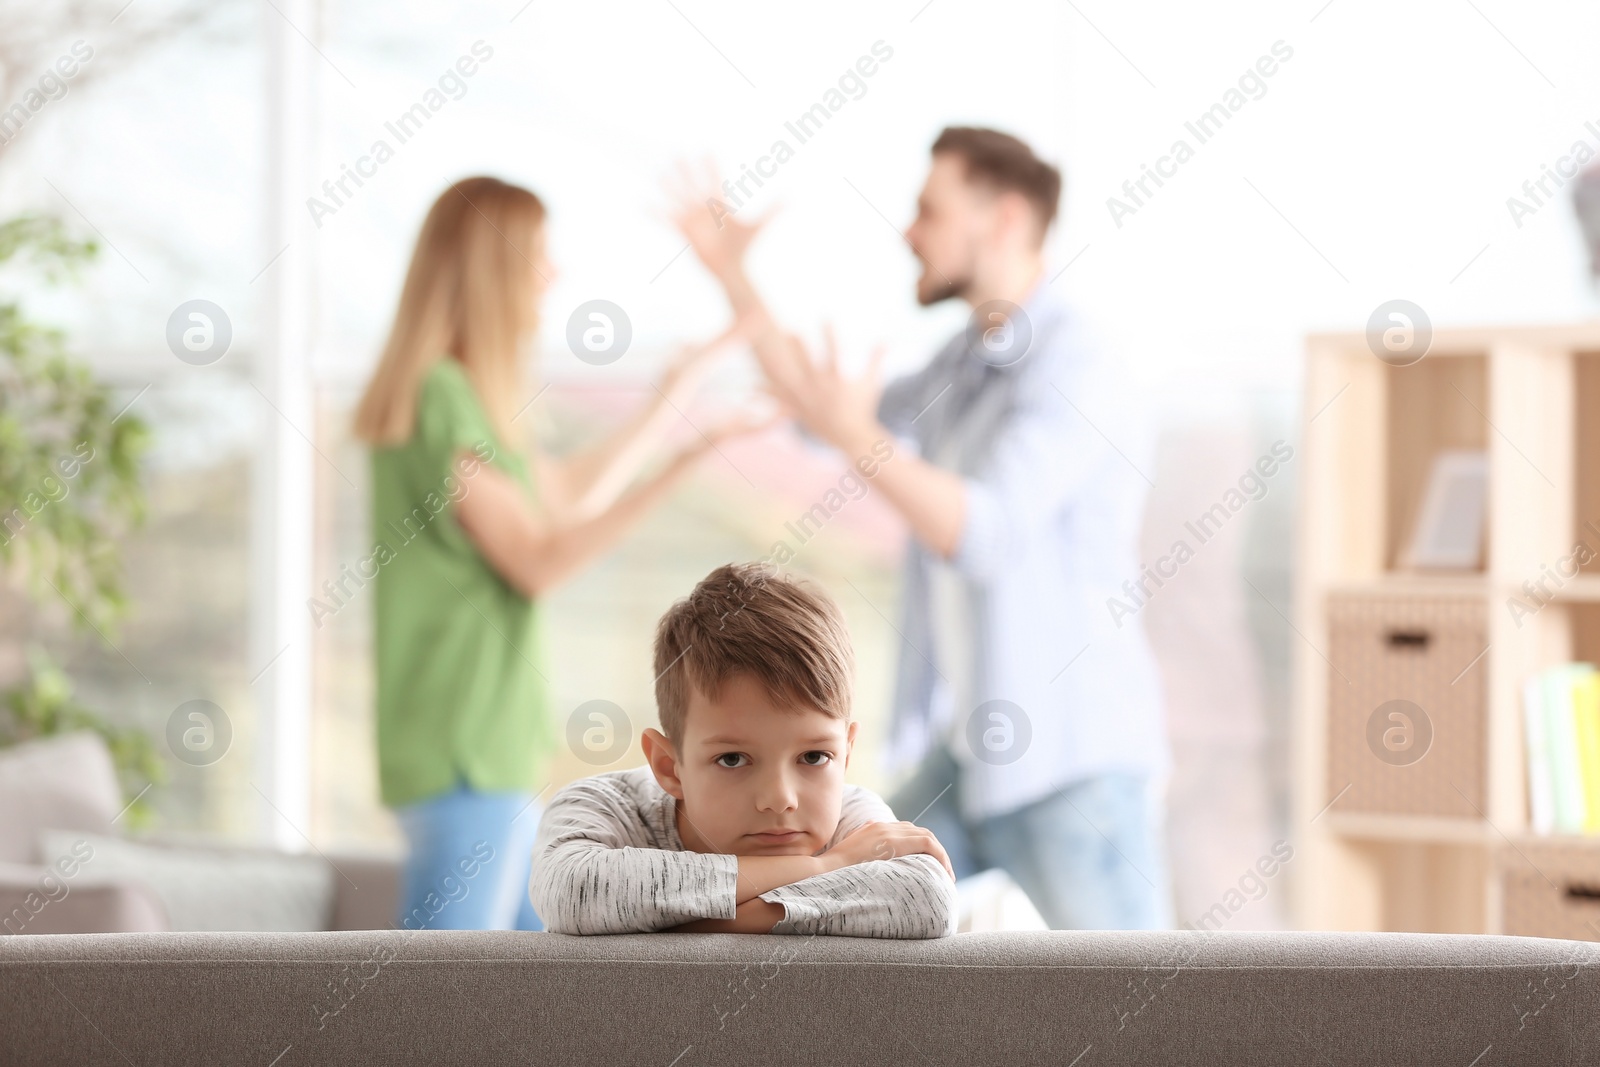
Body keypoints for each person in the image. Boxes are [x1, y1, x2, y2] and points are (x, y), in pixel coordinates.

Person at [672, 128, 1173, 930]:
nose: (909, 232)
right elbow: (818, 411)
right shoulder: (966, 361)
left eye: (928, 210)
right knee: (816, 907)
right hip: (976, 754)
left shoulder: (1081, 360)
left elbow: (985, 531)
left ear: (1006, 219)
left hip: (1072, 763)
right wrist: (733, 275)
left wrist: (852, 435)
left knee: (1146, 1013)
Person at [353, 176, 769, 931]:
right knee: (440, 998)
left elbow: (564, 495)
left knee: (523, 979)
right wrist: (681, 464)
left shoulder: (466, 398)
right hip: (461, 744)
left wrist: (673, 401)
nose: (553, 274)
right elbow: (537, 557)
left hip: (482, 742)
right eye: (538, 255)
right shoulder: (440, 395)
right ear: (491, 268)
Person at [528, 561, 957, 937]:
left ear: (845, 754)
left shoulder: (853, 817)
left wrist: (680, 922)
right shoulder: (604, 808)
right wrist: (827, 867)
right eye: (732, 759)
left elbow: (927, 900)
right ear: (668, 766)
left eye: (814, 757)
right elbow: (573, 890)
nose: (779, 799)